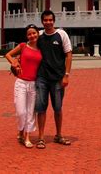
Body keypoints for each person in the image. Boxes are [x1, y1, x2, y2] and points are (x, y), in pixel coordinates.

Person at [35, 10, 73, 149]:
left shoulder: (61, 34)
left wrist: (66, 75)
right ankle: (40, 137)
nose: (48, 22)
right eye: (45, 20)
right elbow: (29, 49)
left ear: (54, 21)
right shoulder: (38, 35)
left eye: (50, 20)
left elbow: (68, 55)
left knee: (57, 107)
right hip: (42, 78)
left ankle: (58, 135)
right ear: (42, 21)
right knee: (41, 108)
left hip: (57, 78)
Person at [4, 24, 42, 149]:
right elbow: (8, 55)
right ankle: (20, 130)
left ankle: (27, 136)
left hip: (34, 84)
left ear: (38, 33)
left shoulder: (42, 49)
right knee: (21, 112)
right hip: (21, 83)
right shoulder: (23, 46)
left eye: (34, 33)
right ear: (27, 36)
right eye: (29, 34)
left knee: (31, 112)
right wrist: (15, 64)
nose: (32, 36)